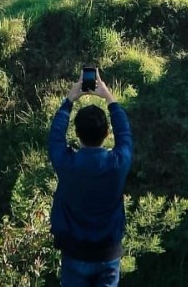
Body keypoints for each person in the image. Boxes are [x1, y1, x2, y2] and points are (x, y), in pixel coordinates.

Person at [48, 69, 133, 287]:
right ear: (107, 133)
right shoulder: (118, 164)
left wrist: (69, 99)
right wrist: (109, 98)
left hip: (74, 253)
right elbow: (125, 134)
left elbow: (55, 137)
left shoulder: (67, 164)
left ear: (76, 133)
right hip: (108, 255)